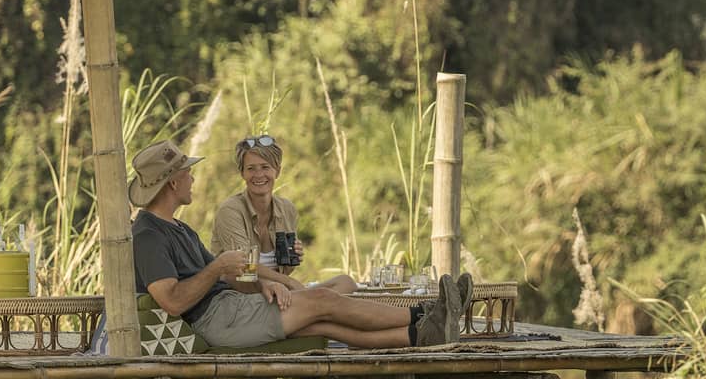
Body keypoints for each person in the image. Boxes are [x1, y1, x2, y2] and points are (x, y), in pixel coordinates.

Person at [128, 138, 473, 351]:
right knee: (322, 299)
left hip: (232, 305)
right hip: (217, 320)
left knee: (322, 323)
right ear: (173, 182)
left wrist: (264, 283)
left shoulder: (179, 227)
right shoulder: (148, 235)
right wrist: (221, 266)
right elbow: (172, 301)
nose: (192, 177)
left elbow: (232, 274)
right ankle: (425, 312)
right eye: (187, 173)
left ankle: (421, 335)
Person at [210, 134, 355, 294]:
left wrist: (292, 259)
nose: (258, 175)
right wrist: (289, 282)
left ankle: (313, 305)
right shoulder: (230, 211)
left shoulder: (287, 209)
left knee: (345, 282)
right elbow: (245, 267)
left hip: (281, 292)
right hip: (242, 293)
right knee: (322, 301)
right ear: (242, 173)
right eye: (251, 168)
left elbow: (284, 270)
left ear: (277, 171)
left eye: (265, 167)